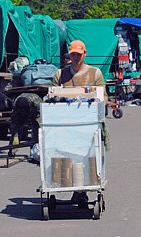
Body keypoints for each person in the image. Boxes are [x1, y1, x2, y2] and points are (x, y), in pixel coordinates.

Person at [52, 39, 105, 208]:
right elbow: (52, 96)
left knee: (86, 157)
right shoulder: (60, 75)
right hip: (64, 125)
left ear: (85, 54)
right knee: (65, 156)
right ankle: (70, 187)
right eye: (73, 54)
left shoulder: (95, 73)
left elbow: (102, 97)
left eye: (78, 54)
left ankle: (81, 192)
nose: (75, 57)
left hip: (87, 125)